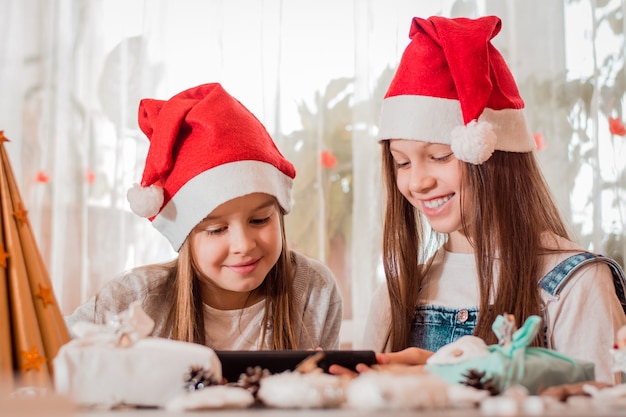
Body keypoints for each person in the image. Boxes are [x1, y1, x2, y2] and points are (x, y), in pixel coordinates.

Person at [358, 15, 626, 383]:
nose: (417, 182)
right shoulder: (397, 295)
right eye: (401, 163)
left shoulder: (575, 285)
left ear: (492, 152)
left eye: (440, 156)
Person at [66, 83, 343, 350]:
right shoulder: (131, 300)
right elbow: (45, 351)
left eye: (259, 220)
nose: (244, 245)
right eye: (217, 229)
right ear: (184, 235)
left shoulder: (314, 291)